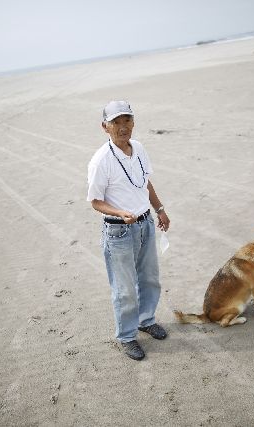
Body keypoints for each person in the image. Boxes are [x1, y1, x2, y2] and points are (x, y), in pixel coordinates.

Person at [87, 100, 171, 361]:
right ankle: (126, 336)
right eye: (116, 122)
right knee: (124, 289)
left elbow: (146, 182)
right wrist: (120, 213)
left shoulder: (140, 149)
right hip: (119, 232)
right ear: (105, 127)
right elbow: (95, 201)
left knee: (149, 279)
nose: (123, 127)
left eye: (127, 121)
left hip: (145, 223)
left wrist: (159, 209)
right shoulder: (101, 161)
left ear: (133, 123)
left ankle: (146, 320)